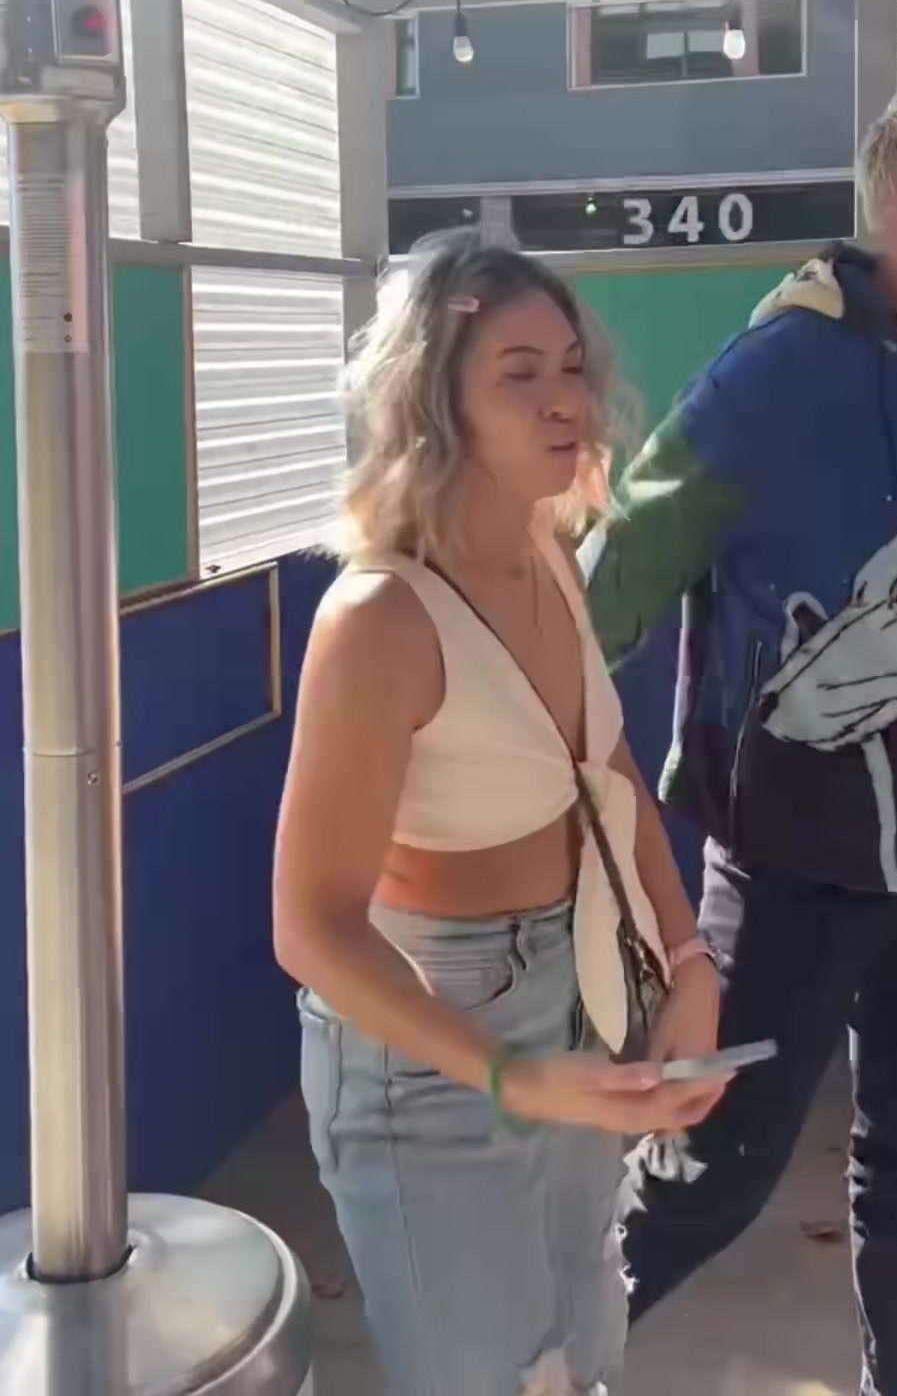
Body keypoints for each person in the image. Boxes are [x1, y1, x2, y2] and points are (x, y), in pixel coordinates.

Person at [582, 87, 897, 1396]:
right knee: (705, 1174)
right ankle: (534, 1368)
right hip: (794, 867)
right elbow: (602, 593)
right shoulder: (772, 377)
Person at [273, 231, 727, 1396]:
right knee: (496, 1377)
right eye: (519, 374)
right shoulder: (379, 619)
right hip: (434, 1038)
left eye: (571, 366)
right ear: (434, 406)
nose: (566, 399)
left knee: (584, 1350)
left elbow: (606, 767)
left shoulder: (548, 551)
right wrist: (509, 1076)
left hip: (578, 988)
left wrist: (686, 962)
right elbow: (312, 929)